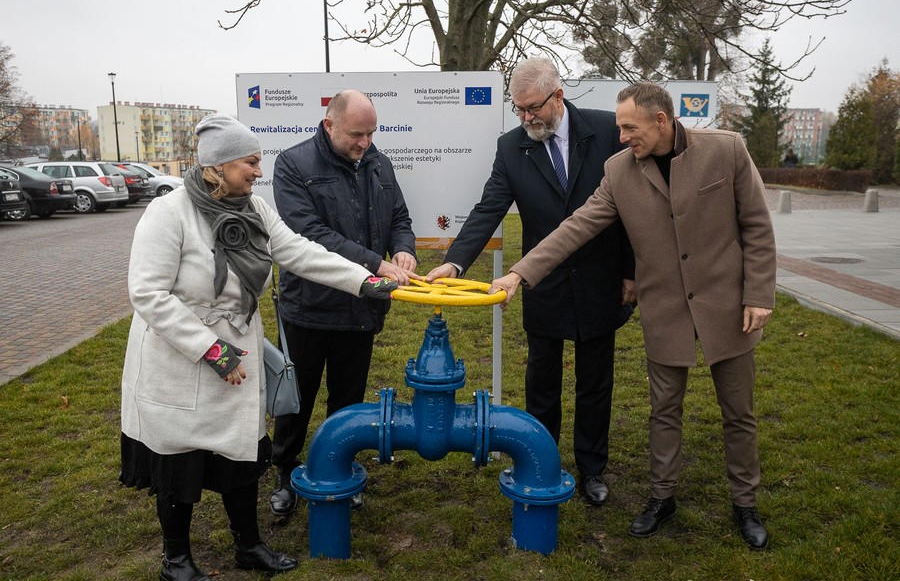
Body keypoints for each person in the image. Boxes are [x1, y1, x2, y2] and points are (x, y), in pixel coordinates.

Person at [490, 82, 777, 550]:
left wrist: (758, 294)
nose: (621, 136)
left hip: (729, 307)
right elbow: (576, 227)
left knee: (738, 413)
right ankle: (662, 498)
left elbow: (758, 228)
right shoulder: (618, 171)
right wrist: (520, 274)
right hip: (664, 310)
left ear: (661, 121)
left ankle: (745, 504)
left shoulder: (725, 151)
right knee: (664, 411)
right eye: (620, 128)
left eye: (630, 128)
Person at [119, 113, 397, 581]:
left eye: (258, 161)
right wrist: (211, 350)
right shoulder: (168, 213)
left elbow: (299, 251)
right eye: (249, 162)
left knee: (240, 454)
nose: (257, 171)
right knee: (180, 461)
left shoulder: (256, 209)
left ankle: (248, 546)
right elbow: (148, 293)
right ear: (217, 166)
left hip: (237, 352)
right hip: (179, 355)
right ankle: (177, 560)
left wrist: (362, 280)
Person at [425, 57, 635, 506]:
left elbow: (633, 210)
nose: (526, 118)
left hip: (601, 278)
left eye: (532, 108)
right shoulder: (511, 147)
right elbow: (489, 209)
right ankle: (541, 459)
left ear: (558, 96)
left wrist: (631, 273)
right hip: (543, 281)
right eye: (518, 110)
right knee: (542, 379)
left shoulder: (605, 132)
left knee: (596, 380)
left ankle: (593, 467)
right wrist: (456, 263)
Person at [269, 89, 419, 515]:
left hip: (360, 309)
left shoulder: (378, 162)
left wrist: (403, 249)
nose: (365, 143)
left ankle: (340, 467)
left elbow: (399, 219)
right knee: (296, 400)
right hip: (309, 309)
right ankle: (284, 472)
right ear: (329, 124)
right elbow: (309, 234)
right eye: (357, 134)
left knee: (348, 400)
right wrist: (375, 263)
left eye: (372, 133)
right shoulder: (293, 165)